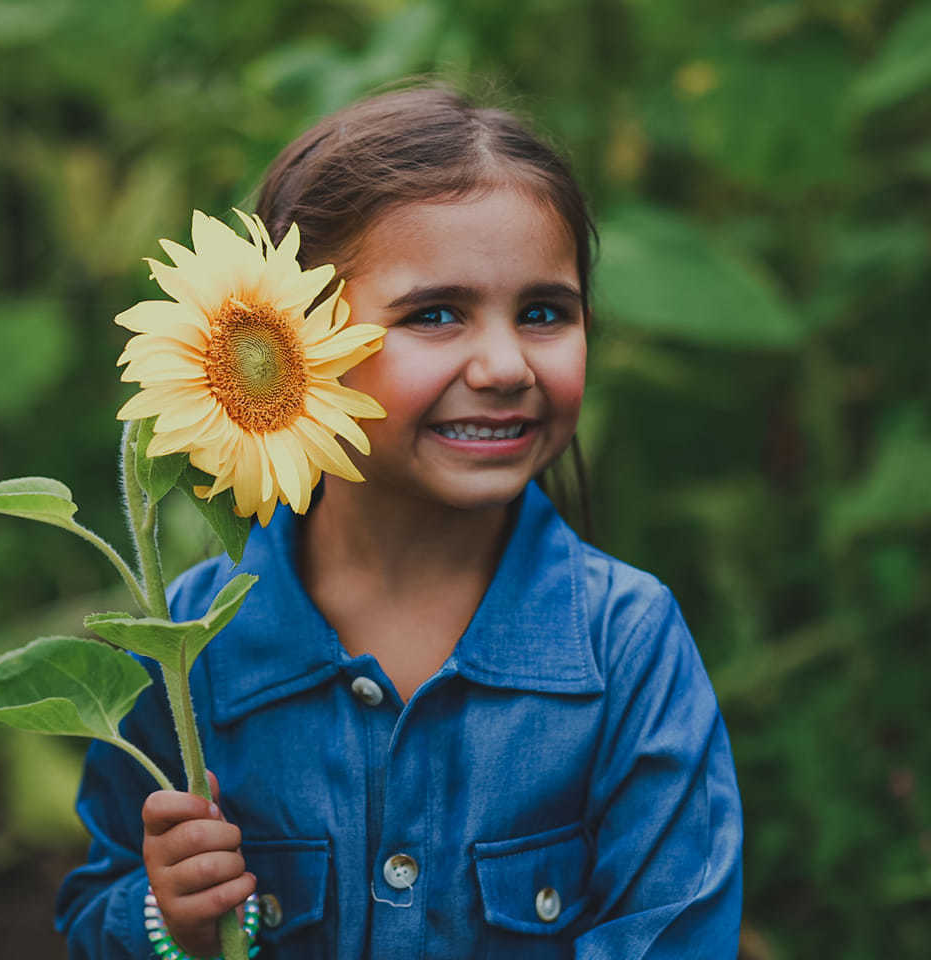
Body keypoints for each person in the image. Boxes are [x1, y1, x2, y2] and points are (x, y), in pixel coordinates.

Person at [55, 84, 742, 960]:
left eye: (544, 313)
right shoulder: (186, 647)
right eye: (436, 314)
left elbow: (677, 934)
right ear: (295, 342)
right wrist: (169, 923)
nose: (503, 364)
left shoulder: (625, 645)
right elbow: (93, 914)